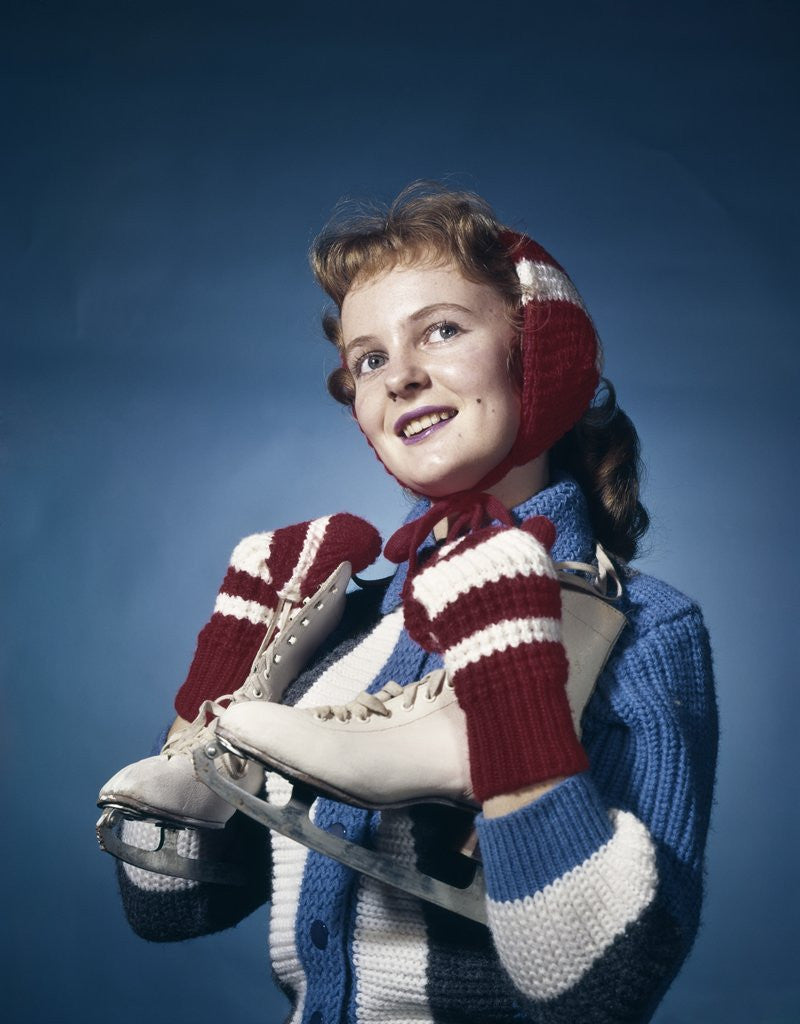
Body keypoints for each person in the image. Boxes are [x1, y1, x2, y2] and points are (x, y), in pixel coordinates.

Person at [97, 183, 718, 1024]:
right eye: (369, 358)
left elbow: (606, 993)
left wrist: (511, 705)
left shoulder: (646, 628)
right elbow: (169, 908)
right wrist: (220, 679)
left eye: (443, 330)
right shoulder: (347, 633)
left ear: (534, 353)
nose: (402, 377)